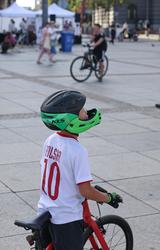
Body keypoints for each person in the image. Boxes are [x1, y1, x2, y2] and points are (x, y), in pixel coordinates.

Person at [38, 90, 122, 250]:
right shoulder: (77, 150)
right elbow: (85, 190)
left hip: (44, 211)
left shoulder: (50, 140)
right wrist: (108, 198)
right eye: (82, 110)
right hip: (65, 218)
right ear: (70, 120)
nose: (86, 113)